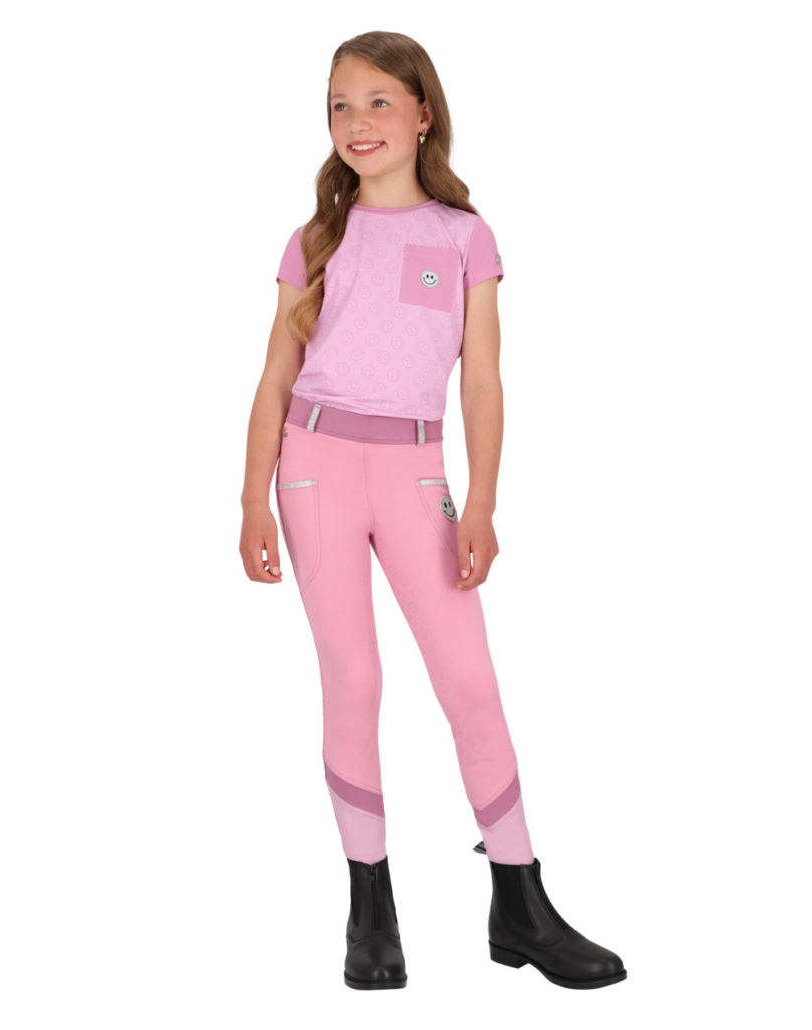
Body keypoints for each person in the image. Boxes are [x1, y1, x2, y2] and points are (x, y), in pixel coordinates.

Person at [239, 30, 627, 992]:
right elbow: (276, 375)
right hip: (315, 471)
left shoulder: (464, 237)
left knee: (470, 682)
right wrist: (252, 497)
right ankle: (370, 908)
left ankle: (520, 902)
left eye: (378, 101)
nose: (357, 121)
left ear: (422, 114)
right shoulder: (314, 239)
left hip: (417, 475)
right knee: (356, 679)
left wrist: (481, 502)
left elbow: (482, 382)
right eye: (340, 104)